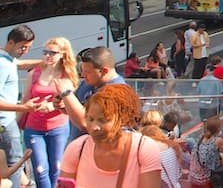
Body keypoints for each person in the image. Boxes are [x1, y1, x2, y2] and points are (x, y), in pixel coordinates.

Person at [58, 84, 162, 188]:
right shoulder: (77, 149)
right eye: (90, 119)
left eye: (102, 121)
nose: (95, 127)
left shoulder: (143, 149)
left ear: (122, 119)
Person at [24, 36, 79, 188]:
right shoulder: (34, 73)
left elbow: (70, 101)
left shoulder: (67, 75)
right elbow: (25, 100)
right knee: (40, 169)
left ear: (62, 54)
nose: (48, 56)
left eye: (52, 53)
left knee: (56, 168)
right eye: (45, 52)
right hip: (34, 127)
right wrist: (17, 121)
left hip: (58, 126)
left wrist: (53, 106)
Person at [0, 25, 50, 178]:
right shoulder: (3, 65)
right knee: (13, 163)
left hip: (5, 123)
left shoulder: (6, 60)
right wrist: (24, 107)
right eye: (22, 47)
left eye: (28, 47)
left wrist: (41, 62)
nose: (25, 51)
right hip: (5, 124)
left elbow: (19, 64)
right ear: (11, 42)